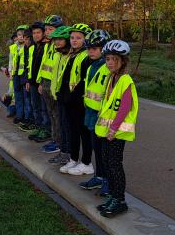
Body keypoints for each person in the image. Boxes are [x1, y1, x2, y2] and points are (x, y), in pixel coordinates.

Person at [95, 40, 139, 217]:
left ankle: (119, 200)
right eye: (107, 59)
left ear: (123, 61)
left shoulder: (125, 80)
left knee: (114, 165)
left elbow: (125, 107)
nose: (110, 62)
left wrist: (113, 129)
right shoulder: (110, 78)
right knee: (107, 163)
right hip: (107, 131)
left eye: (114, 59)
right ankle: (112, 196)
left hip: (117, 131)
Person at [78, 29, 112, 196]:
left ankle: (107, 181)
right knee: (96, 149)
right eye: (89, 48)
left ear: (104, 49)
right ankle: (99, 176)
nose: (90, 51)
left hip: (102, 116)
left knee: (104, 151)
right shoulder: (92, 66)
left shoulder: (107, 69)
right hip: (91, 114)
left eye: (95, 48)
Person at [57, 23, 94, 175]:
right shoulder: (72, 55)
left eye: (78, 38)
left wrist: (73, 96)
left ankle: (86, 162)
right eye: (72, 37)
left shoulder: (86, 57)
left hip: (79, 101)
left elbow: (84, 81)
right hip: (68, 99)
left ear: (86, 40)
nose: (74, 40)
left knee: (83, 132)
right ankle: (73, 159)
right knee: (73, 131)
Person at [36, 15, 65, 152]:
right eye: (46, 29)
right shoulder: (48, 46)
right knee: (51, 113)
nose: (47, 32)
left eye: (51, 29)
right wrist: (40, 82)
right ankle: (54, 139)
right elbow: (44, 65)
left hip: (55, 86)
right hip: (45, 83)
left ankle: (59, 142)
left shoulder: (59, 48)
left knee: (57, 115)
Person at [45, 25, 71, 161]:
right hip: (57, 94)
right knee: (59, 121)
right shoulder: (58, 54)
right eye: (55, 40)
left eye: (61, 39)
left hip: (67, 98)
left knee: (66, 126)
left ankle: (68, 154)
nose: (57, 42)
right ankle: (63, 151)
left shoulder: (69, 56)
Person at [26, 21, 51, 141]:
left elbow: (45, 66)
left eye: (38, 32)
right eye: (34, 33)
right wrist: (28, 80)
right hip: (32, 82)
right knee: (35, 106)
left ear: (43, 33)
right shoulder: (33, 47)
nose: (36, 35)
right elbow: (30, 66)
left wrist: (42, 82)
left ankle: (46, 130)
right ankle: (39, 126)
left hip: (41, 83)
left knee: (43, 108)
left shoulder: (47, 47)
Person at [17, 28, 35, 129]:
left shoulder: (32, 48)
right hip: (23, 78)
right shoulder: (25, 48)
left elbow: (30, 66)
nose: (26, 41)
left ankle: (31, 120)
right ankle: (28, 119)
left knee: (31, 102)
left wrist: (28, 80)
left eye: (28, 39)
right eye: (25, 38)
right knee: (27, 100)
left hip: (29, 79)